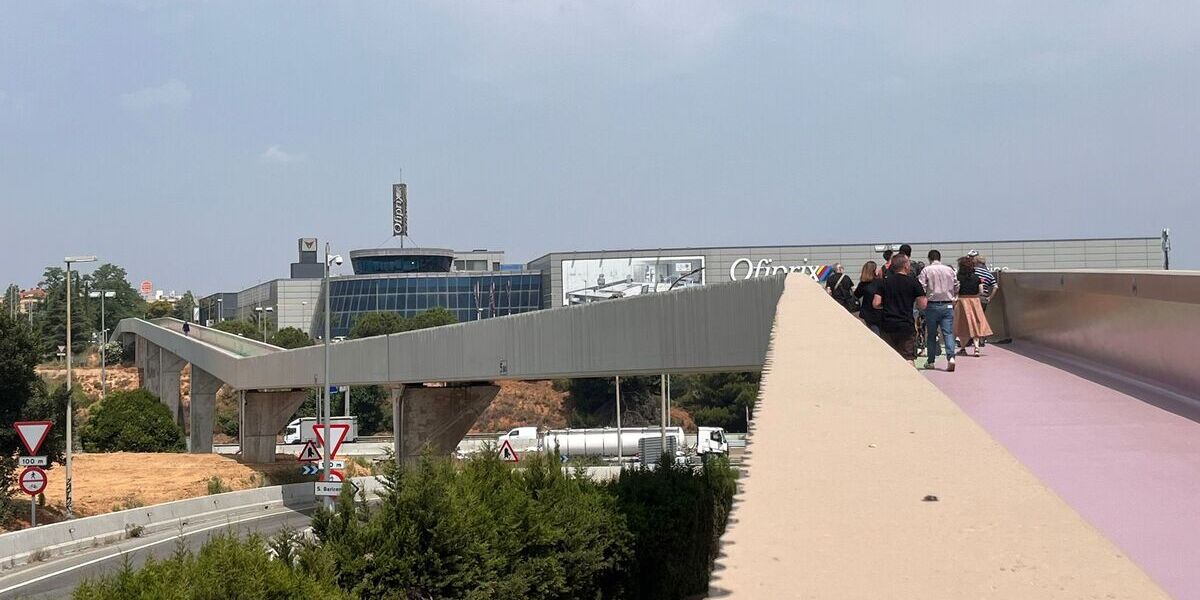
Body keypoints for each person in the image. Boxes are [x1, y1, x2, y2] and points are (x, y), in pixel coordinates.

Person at [873, 254, 927, 366]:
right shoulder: (913, 282)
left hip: (887, 325)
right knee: (908, 357)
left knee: (889, 357)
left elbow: (876, 303)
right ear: (905, 266)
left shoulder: (884, 282)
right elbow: (923, 304)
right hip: (905, 324)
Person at [917, 249, 958, 371]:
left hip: (932, 305)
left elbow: (921, 286)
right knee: (948, 333)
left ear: (929, 258)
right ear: (940, 258)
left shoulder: (926, 270)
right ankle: (951, 357)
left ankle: (931, 361)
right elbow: (956, 285)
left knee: (931, 334)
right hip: (947, 304)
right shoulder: (949, 270)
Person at [954, 256, 993, 356]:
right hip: (975, 301)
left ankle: (963, 349)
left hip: (962, 301)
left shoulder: (958, 277)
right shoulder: (977, 278)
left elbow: (956, 290)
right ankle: (976, 348)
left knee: (962, 327)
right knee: (976, 325)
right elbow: (981, 291)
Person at [854, 261, 882, 335]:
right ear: (874, 270)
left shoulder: (863, 284)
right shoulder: (880, 282)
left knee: (873, 332)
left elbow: (856, 295)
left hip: (867, 312)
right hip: (879, 311)